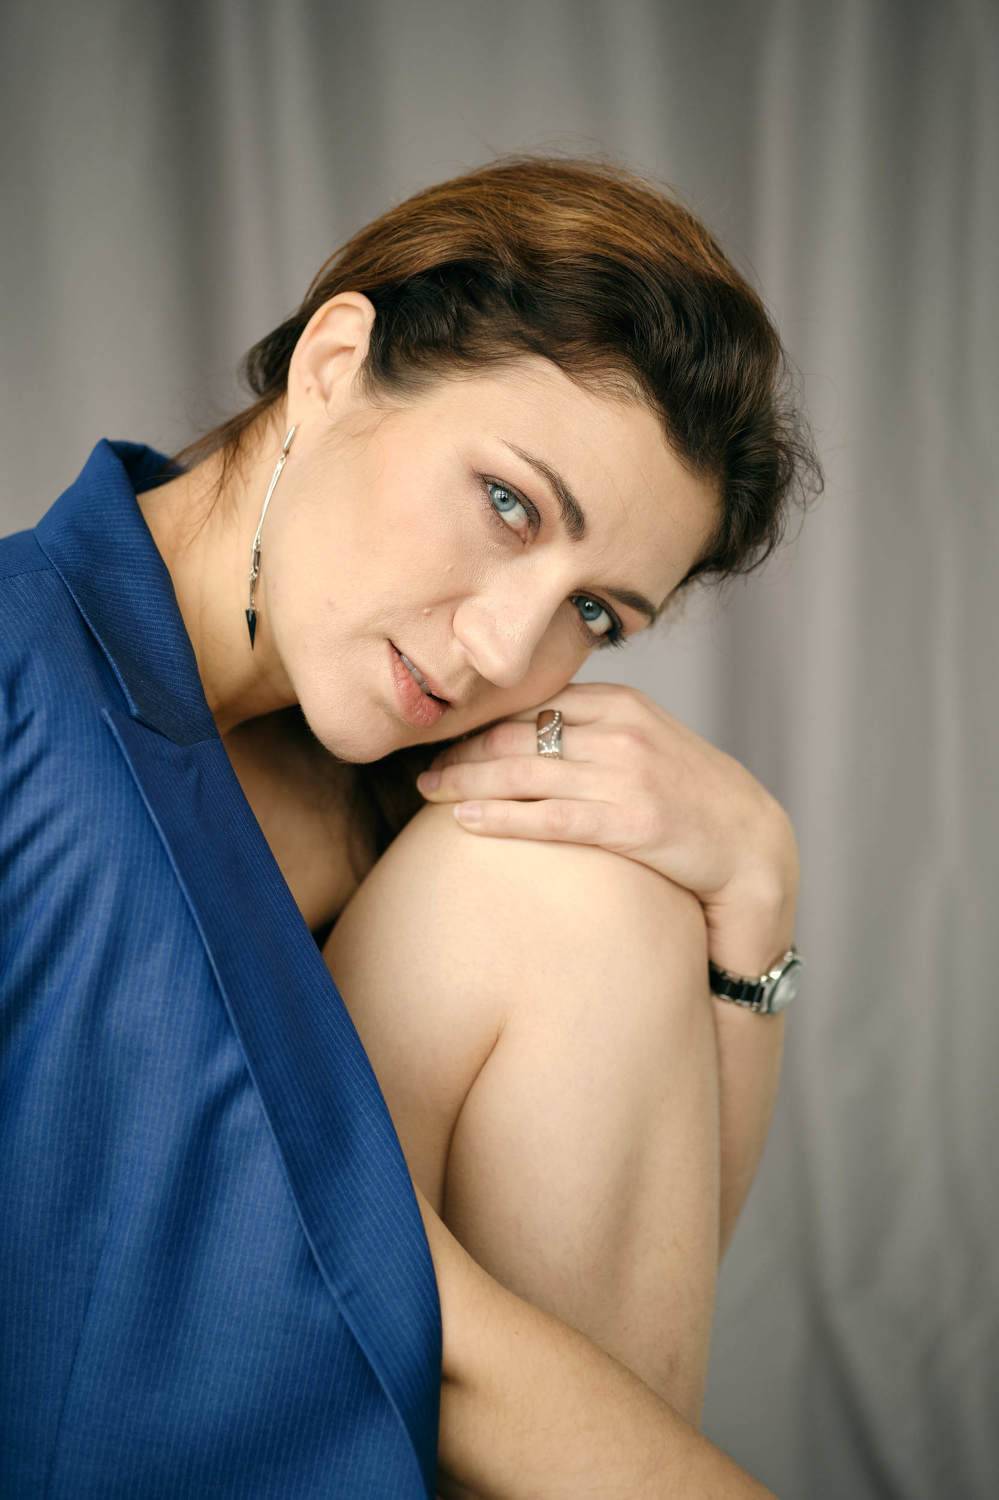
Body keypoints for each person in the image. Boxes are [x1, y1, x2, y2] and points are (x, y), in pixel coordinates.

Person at [0, 154, 821, 1497]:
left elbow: (623, 1312)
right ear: (333, 367)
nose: (505, 648)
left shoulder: (434, 812)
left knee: (581, 892)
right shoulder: (25, 702)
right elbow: (438, 1341)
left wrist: (755, 906)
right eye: (507, 504)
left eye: (594, 614)